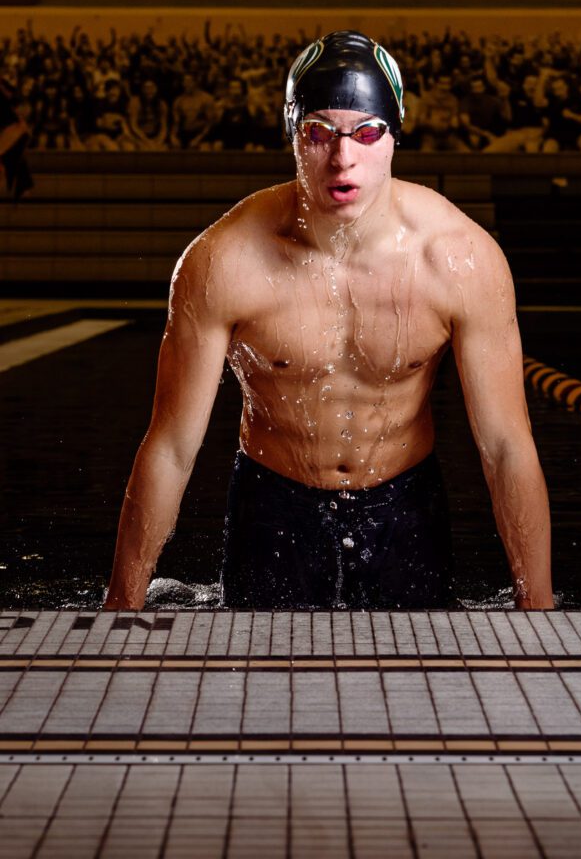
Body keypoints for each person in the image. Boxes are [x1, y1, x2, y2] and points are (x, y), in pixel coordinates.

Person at [104, 30, 553, 612]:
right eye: (318, 133)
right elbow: (171, 447)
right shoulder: (224, 261)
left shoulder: (460, 261)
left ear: (394, 135)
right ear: (292, 135)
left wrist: (537, 602)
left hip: (405, 510)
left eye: (366, 133)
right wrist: (123, 600)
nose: (343, 158)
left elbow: (504, 447)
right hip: (272, 508)